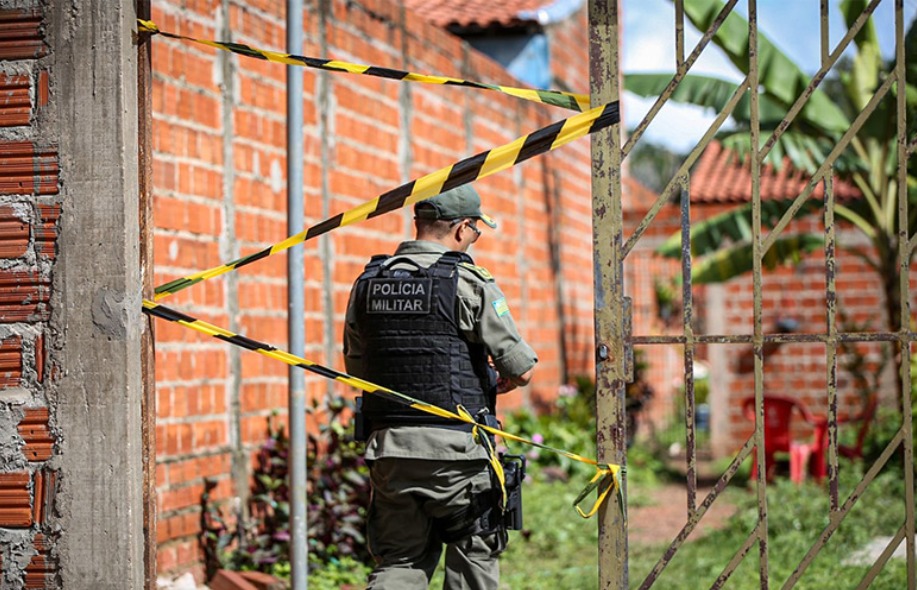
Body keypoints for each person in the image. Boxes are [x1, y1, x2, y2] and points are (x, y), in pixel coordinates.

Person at [343, 184, 537, 590]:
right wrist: (498, 380)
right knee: (472, 563)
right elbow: (521, 369)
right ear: (462, 228)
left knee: (399, 563)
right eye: (476, 231)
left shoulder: (368, 282)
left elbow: (358, 368)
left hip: (390, 452)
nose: (473, 239)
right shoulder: (469, 281)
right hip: (458, 456)